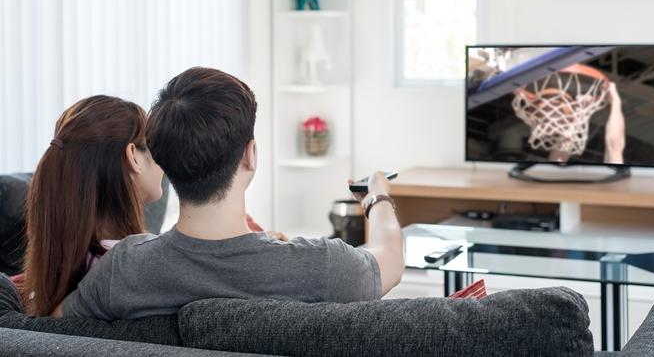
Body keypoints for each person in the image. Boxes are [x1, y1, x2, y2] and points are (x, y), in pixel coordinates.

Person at [56, 67, 404, 320]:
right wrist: (377, 197)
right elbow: (390, 260)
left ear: (163, 161)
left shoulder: (124, 268)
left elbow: (53, 327)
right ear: (250, 155)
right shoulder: (323, 265)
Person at [20, 96, 164, 316]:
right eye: (155, 148)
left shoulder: (46, 276)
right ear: (133, 156)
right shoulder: (140, 267)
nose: (163, 161)